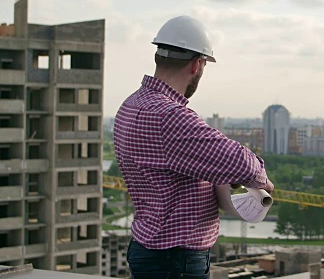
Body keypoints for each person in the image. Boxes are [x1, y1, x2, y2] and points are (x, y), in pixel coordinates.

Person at [113, 16, 273, 279]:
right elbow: (243, 164)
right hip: (177, 260)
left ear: (158, 57)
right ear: (197, 65)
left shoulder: (130, 105)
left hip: (149, 248)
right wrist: (263, 181)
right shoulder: (169, 116)